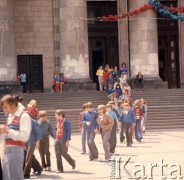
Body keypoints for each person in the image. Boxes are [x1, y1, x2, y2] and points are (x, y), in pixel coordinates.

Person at [0, 95, 31, 180]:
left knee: (15, 177)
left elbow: (24, 137)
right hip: (6, 150)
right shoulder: (10, 116)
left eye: (6, 107)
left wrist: (7, 131)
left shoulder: (24, 116)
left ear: (13, 104)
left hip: (16, 150)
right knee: (7, 177)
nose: (4, 110)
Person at [24, 113, 43, 179]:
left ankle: (26, 174)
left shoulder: (34, 123)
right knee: (31, 157)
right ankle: (39, 168)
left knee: (28, 158)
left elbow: (38, 132)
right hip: (26, 142)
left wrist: (38, 142)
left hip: (32, 142)